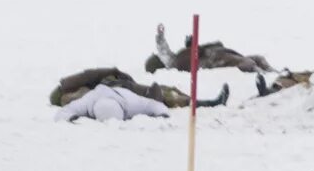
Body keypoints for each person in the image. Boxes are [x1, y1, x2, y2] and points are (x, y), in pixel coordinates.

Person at [49, 67, 226, 109]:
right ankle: (206, 103)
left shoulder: (73, 89)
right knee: (163, 95)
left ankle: (200, 101)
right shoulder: (71, 96)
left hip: (118, 87)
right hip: (121, 91)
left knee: (166, 91)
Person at [146, 23, 274, 74]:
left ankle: (272, 72)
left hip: (216, 53)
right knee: (246, 62)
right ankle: (263, 73)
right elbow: (164, 51)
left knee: (256, 58)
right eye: (158, 58)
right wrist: (160, 36)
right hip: (211, 59)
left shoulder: (179, 57)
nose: (159, 55)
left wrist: (191, 46)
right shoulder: (173, 63)